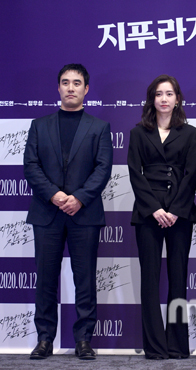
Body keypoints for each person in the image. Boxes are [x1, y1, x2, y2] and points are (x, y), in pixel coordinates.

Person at [23, 64, 113, 360]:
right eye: (65, 82)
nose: (71, 87)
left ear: (86, 89)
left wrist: (79, 198)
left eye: (77, 83)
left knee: (85, 279)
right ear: (58, 88)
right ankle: (45, 339)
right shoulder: (40, 124)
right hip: (47, 213)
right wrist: (55, 195)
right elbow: (31, 166)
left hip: (84, 214)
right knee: (46, 280)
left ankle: (84, 340)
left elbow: (103, 169)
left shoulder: (99, 127)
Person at [127, 75, 196, 360]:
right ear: (152, 100)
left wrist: (173, 210)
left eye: (169, 94)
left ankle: (177, 345)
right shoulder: (137, 132)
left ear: (178, 99)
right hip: (148, 213)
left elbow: (191, 175)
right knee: (150, 280)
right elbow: (135, 173)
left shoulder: (191, 133)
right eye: (159, 94)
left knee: (178, 278)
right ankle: (155, 346)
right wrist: (155, 209)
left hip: (180, 212)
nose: (164, 99)